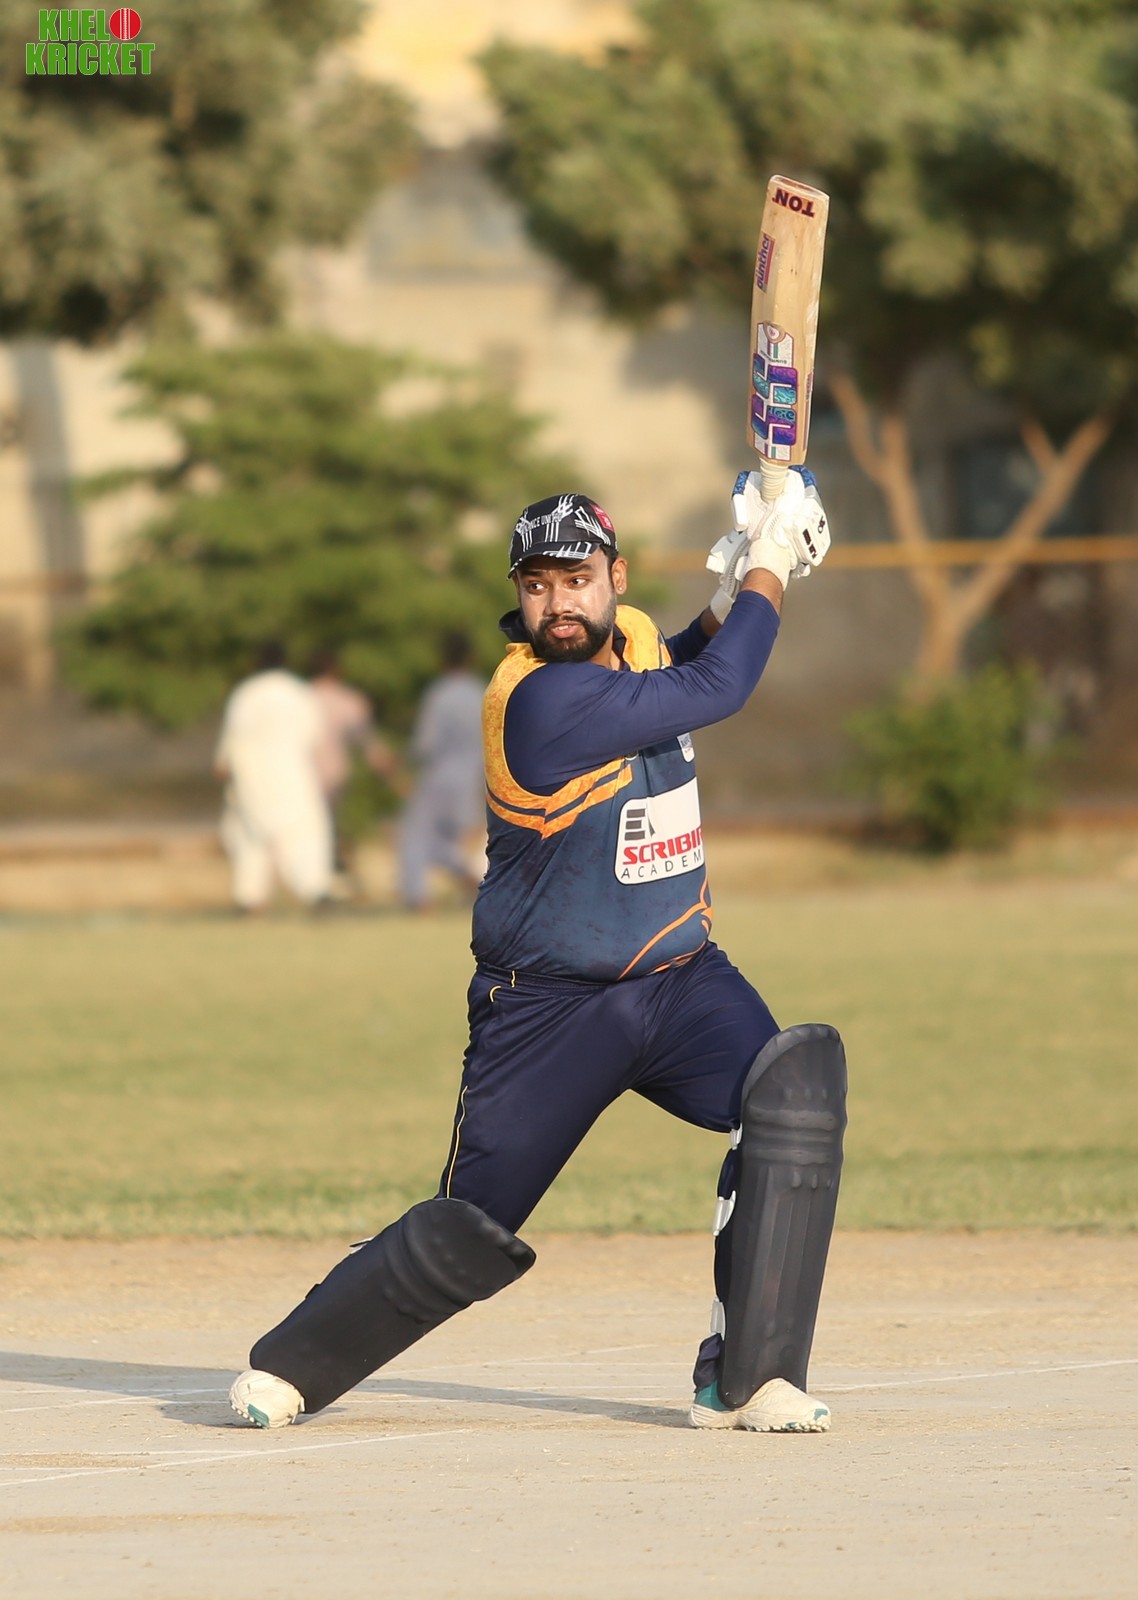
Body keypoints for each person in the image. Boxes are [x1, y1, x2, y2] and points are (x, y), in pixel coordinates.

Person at [229, 474, 848, 1434]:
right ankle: (294, 1363)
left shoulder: (629, 640)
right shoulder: (541, 699)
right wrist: (772, 562)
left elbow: (678, 660)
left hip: (681, 981)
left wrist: (730, 594)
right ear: (518, 596)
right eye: (536, 585)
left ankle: (752, 1378)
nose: (558, 603)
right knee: (471, 1226)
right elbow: (717, 688)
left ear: (615, 578)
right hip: (548, 1009)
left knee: (790, 1098)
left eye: (576, 579)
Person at [214, 642, 333, 913]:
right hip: (292, 773)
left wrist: (224, 766)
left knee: (250, 837)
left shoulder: (245, 693)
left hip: (249, 777)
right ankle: (315, 891)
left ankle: (249, 898)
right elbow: (314, 738)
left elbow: (230, 742)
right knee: (303, 833)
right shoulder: (299, 692)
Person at [399, 631, 487, 910]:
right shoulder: (481, 691)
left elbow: (426, 744)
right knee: (460, 837)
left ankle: (418, 897)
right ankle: (472, 876)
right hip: (477, 776)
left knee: (417, 833)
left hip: (442, 774)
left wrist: (406, 766)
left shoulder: (440, 694)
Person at [308, 648, 396, 885]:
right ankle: (330, 880)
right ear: (337, 669)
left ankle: (325, 880)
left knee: (315, 832)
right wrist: (391, 770)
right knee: (328, 829)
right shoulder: (348, 700)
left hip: (303, 777)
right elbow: (368, 744)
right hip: (335, 776)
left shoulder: (301, 697)